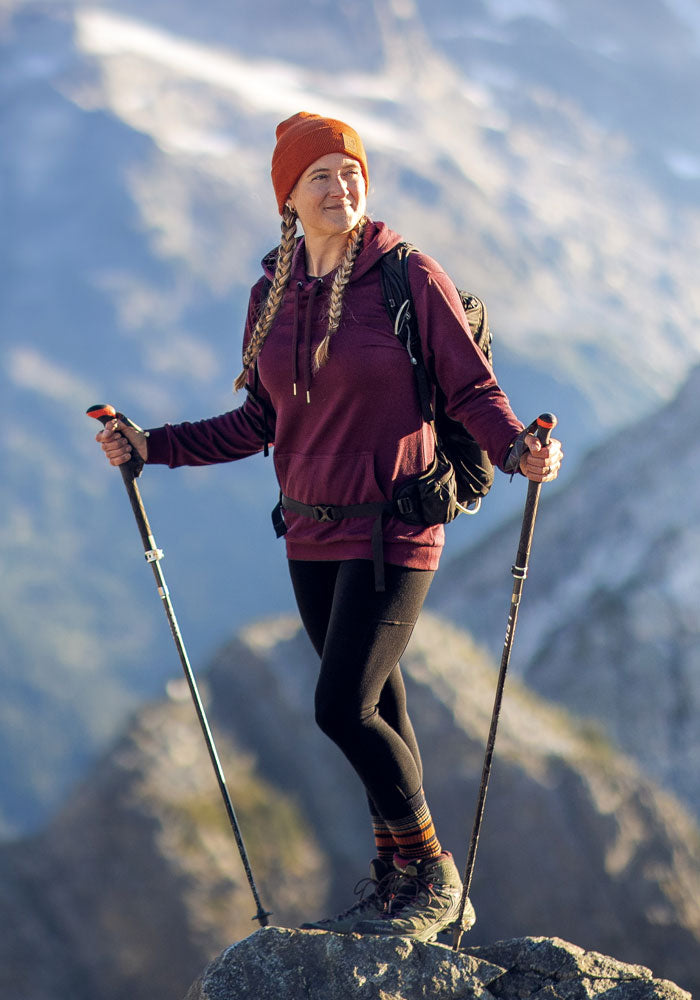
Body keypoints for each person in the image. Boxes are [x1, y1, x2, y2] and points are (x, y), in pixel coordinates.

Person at [97, 111, 563, 942]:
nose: (341, 185)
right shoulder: (271, 293)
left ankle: (434, 875)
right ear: (289, 194)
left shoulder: (408, 275)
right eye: (322, 175)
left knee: (340, 708)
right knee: (380, 704)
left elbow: (470, 388)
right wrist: (149, 446)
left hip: (396, 528)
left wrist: (519, 446)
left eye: (351, 171)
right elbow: (258, 422)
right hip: (310, 534)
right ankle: (395, 878)